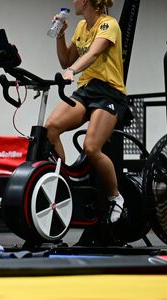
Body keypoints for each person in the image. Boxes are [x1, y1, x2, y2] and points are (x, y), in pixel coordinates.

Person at [48, 0, 127, 222]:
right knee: (51, 128)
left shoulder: (108, 25)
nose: (73, 1)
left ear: (85, 1)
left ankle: (115, 197)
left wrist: (73, 70)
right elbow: (65, 61)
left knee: (91, 147)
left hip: (109, 92)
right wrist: (61, 35)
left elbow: (92, 54)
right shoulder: (81, 27)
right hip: (86, 89)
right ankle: (62, 182)